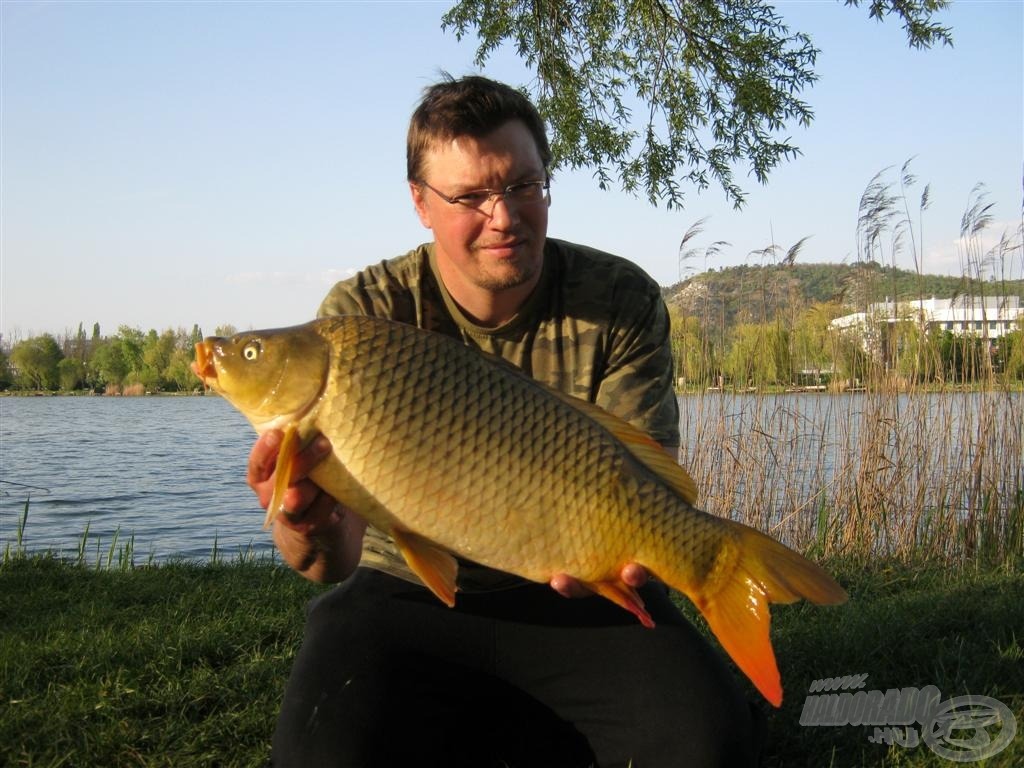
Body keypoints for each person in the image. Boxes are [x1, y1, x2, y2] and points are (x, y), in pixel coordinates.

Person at [247, 75, 762, 767]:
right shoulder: (357, 321)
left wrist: (634, 556)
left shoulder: (618, 299)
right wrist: (308, 521)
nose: (504, 216)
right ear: (421, 203)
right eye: (469, 197)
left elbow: (647, 486)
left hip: (576, 596)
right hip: (403, 592)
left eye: (524, 185)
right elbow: (327, 565)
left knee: (707, 748)